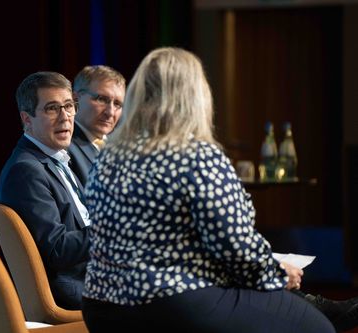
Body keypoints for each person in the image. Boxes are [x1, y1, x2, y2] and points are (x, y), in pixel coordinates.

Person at [80, 47, 337, 332]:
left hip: (101, 307)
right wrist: (277, 274)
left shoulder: (109, 155)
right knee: (318, 327)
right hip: (169, 303)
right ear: (196, 96)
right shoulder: (196, 154)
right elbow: (235, 247)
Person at [0, 72, 90, 309]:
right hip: (74, 290)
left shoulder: (52, 158)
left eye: (69, 106)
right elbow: (57, 249)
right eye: (51, 108)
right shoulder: (26, 171)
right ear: (27, 119)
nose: (65, 117)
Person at [68, 65, 126, 185]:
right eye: (101, 99)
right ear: (75, 99)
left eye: (117, 104)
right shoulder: (63, 148)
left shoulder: (121, 147)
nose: (110, 112)